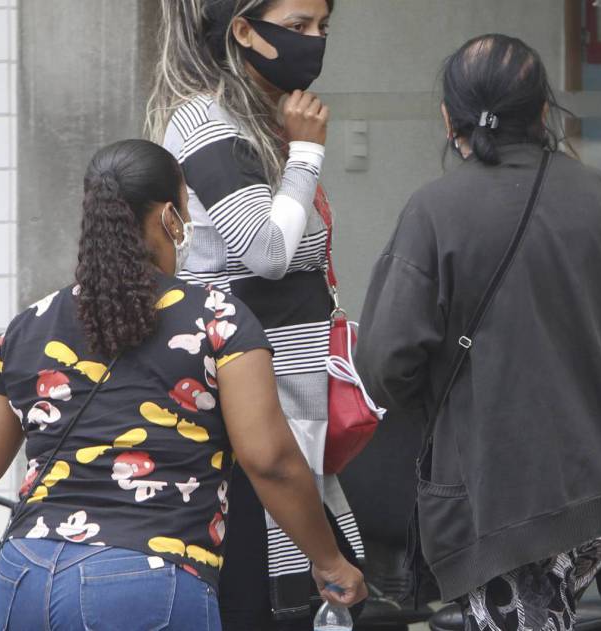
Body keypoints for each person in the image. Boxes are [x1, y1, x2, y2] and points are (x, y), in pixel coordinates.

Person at [0, 139, 366, 631]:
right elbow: (271, 462)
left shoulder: (29, 327)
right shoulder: (218, 320)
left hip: (27, 576)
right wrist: (328, 559)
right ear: (171, 217)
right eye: (186, 211)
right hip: (148, 578)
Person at [355, 34, 601, 631]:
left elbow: (385, 365)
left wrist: (448, 399)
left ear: (448, 119)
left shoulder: (434, 211)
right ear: (543, 113)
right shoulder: (598, 194)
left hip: (503, 495)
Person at [146, 1, 363, 627]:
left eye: (323, 28)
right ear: (244, 29)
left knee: (306, 581)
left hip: (290, 401)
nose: (315, 42)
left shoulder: (259, 121)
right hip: (243, 406)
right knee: (266, 590)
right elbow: (267, 253)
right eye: (297, 27)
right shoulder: (205, 122)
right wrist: (305, 156)